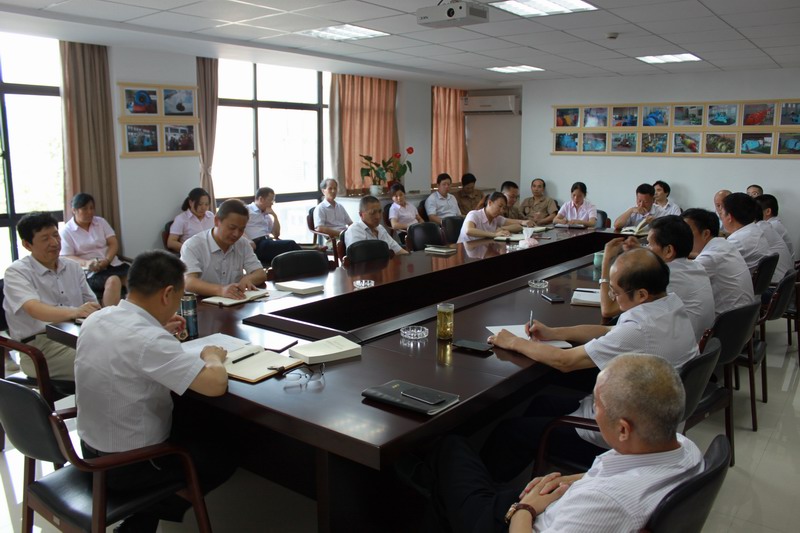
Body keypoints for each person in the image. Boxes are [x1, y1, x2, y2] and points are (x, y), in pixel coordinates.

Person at [483, 248, 698, 482]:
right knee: (540, 403)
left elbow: (565, 361)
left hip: (619, 438)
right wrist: (554, 332)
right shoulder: (669, 305)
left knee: (509, 432)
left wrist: (513, 342)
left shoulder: (640, 329)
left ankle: (488, 493)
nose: (612, 297)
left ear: (641, 294)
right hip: (647, 418)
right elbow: (609, 330)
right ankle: (531, 458)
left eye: (616, 292)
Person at [430, 354, 703, 533]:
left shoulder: (606, 502)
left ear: (623, 429)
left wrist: (525, 509)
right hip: (546, 507)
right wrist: (563, 482)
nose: (592, 410)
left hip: (519, 522)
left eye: (597, 405)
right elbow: (606, 477)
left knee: (450, 446)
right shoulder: (684, 448)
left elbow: (603, 498)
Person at [75, 250, 235, 533]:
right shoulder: (150, 340)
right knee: (224, 454)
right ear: (167, 293)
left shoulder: (98, 318)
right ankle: (142, 518)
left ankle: (144, 517)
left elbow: (129, 347)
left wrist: (158, 327)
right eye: (178, 299)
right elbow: (215, 385)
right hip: (130, 465)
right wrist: (212, 356)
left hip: (88, 452)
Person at [3, 212, 100, 380]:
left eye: (56, 235)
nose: (55, 243)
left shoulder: (73, 267)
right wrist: (76, 312)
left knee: (123, 352)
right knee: (103, 363)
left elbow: (92, 304)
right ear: (27, 244)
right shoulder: (17, 272)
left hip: (78, 335)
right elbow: (34, 309)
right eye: (45, 238)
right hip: (40, 348)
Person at [599, 216, 714, 342]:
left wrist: (607, 260)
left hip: (671, 345)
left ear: (669, 250)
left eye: (649, 244)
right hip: (693, 344)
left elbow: (607, 310)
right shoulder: (696, 266)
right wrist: (638, 251)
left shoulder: (666, 277)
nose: (646, 248)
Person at [181, 199, 267, 298]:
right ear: (216, 221)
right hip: (201, 303)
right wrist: (221, 290)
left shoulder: (242, 243)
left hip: (234, 301)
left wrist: (248, 279)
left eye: (241, 229)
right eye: (232, 228)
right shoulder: (193, 245)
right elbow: (188, 282)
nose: (236, 234)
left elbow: (260, 273)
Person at [682, 208, 755, 316]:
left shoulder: (709, 258)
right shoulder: (724, 244)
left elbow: (681, 283)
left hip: (726, 320)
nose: (682, 237)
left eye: (686, 232)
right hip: (744, 318)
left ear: (706, 233)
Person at [60, 192, 128, 307]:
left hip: (112, 263)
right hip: (91, 271)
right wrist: (87, 263)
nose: (90, 212)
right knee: (113, 281)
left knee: (136, 279)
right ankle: (108, 315)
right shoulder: (67, 231)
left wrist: (107, 260)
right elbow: (66, 256)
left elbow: (113, 243)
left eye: (92, 208)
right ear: (74, 210)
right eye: (85, 209)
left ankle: (136, 313)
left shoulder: (100, 222)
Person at [721, 192, 792, 283]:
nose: (720, 215)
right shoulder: (757, 230)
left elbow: (716, 264)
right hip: (776, 282)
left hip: (774, 283)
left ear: (729, 216)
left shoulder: (739, 239)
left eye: (721, 212)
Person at [244, 187, 300, 265]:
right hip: (257, 245)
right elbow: (239, 228)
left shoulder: (266, 214)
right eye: (271, 200)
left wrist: (274, 216)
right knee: (291, 245)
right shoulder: (246, 210)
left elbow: (276, 234)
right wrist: (248, 241)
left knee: (290, 255)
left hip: (268, 242)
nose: (272, 203)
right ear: (261, 199)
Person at [457, 192, 524, 243]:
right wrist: (494, 234)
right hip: (463, 250)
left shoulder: (496, 218)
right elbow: (469, 230)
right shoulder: (474, 214)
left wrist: (501, 228)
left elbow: (518, 226)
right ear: (490, 203)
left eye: (503, 208)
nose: (501, 211)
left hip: (482, 248)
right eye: (499, 206)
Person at [166, 187, 214, 253]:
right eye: (200, 204)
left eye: (206, 204)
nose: (203, 208)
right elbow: (171, 242)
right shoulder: (181, 219)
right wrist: (189, 249)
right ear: (190, 202)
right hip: (193, 254)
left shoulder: (211, 216)